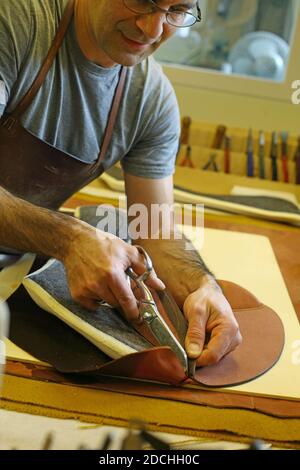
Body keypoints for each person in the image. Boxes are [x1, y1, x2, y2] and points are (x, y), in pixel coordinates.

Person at [0, 0, 241, 367]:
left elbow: (154, 227)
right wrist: (70, 238)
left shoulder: (151, 100)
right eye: (141, 0)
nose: (153, 29)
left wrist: (201, 287)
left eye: (175, 10)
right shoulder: (16, 24)